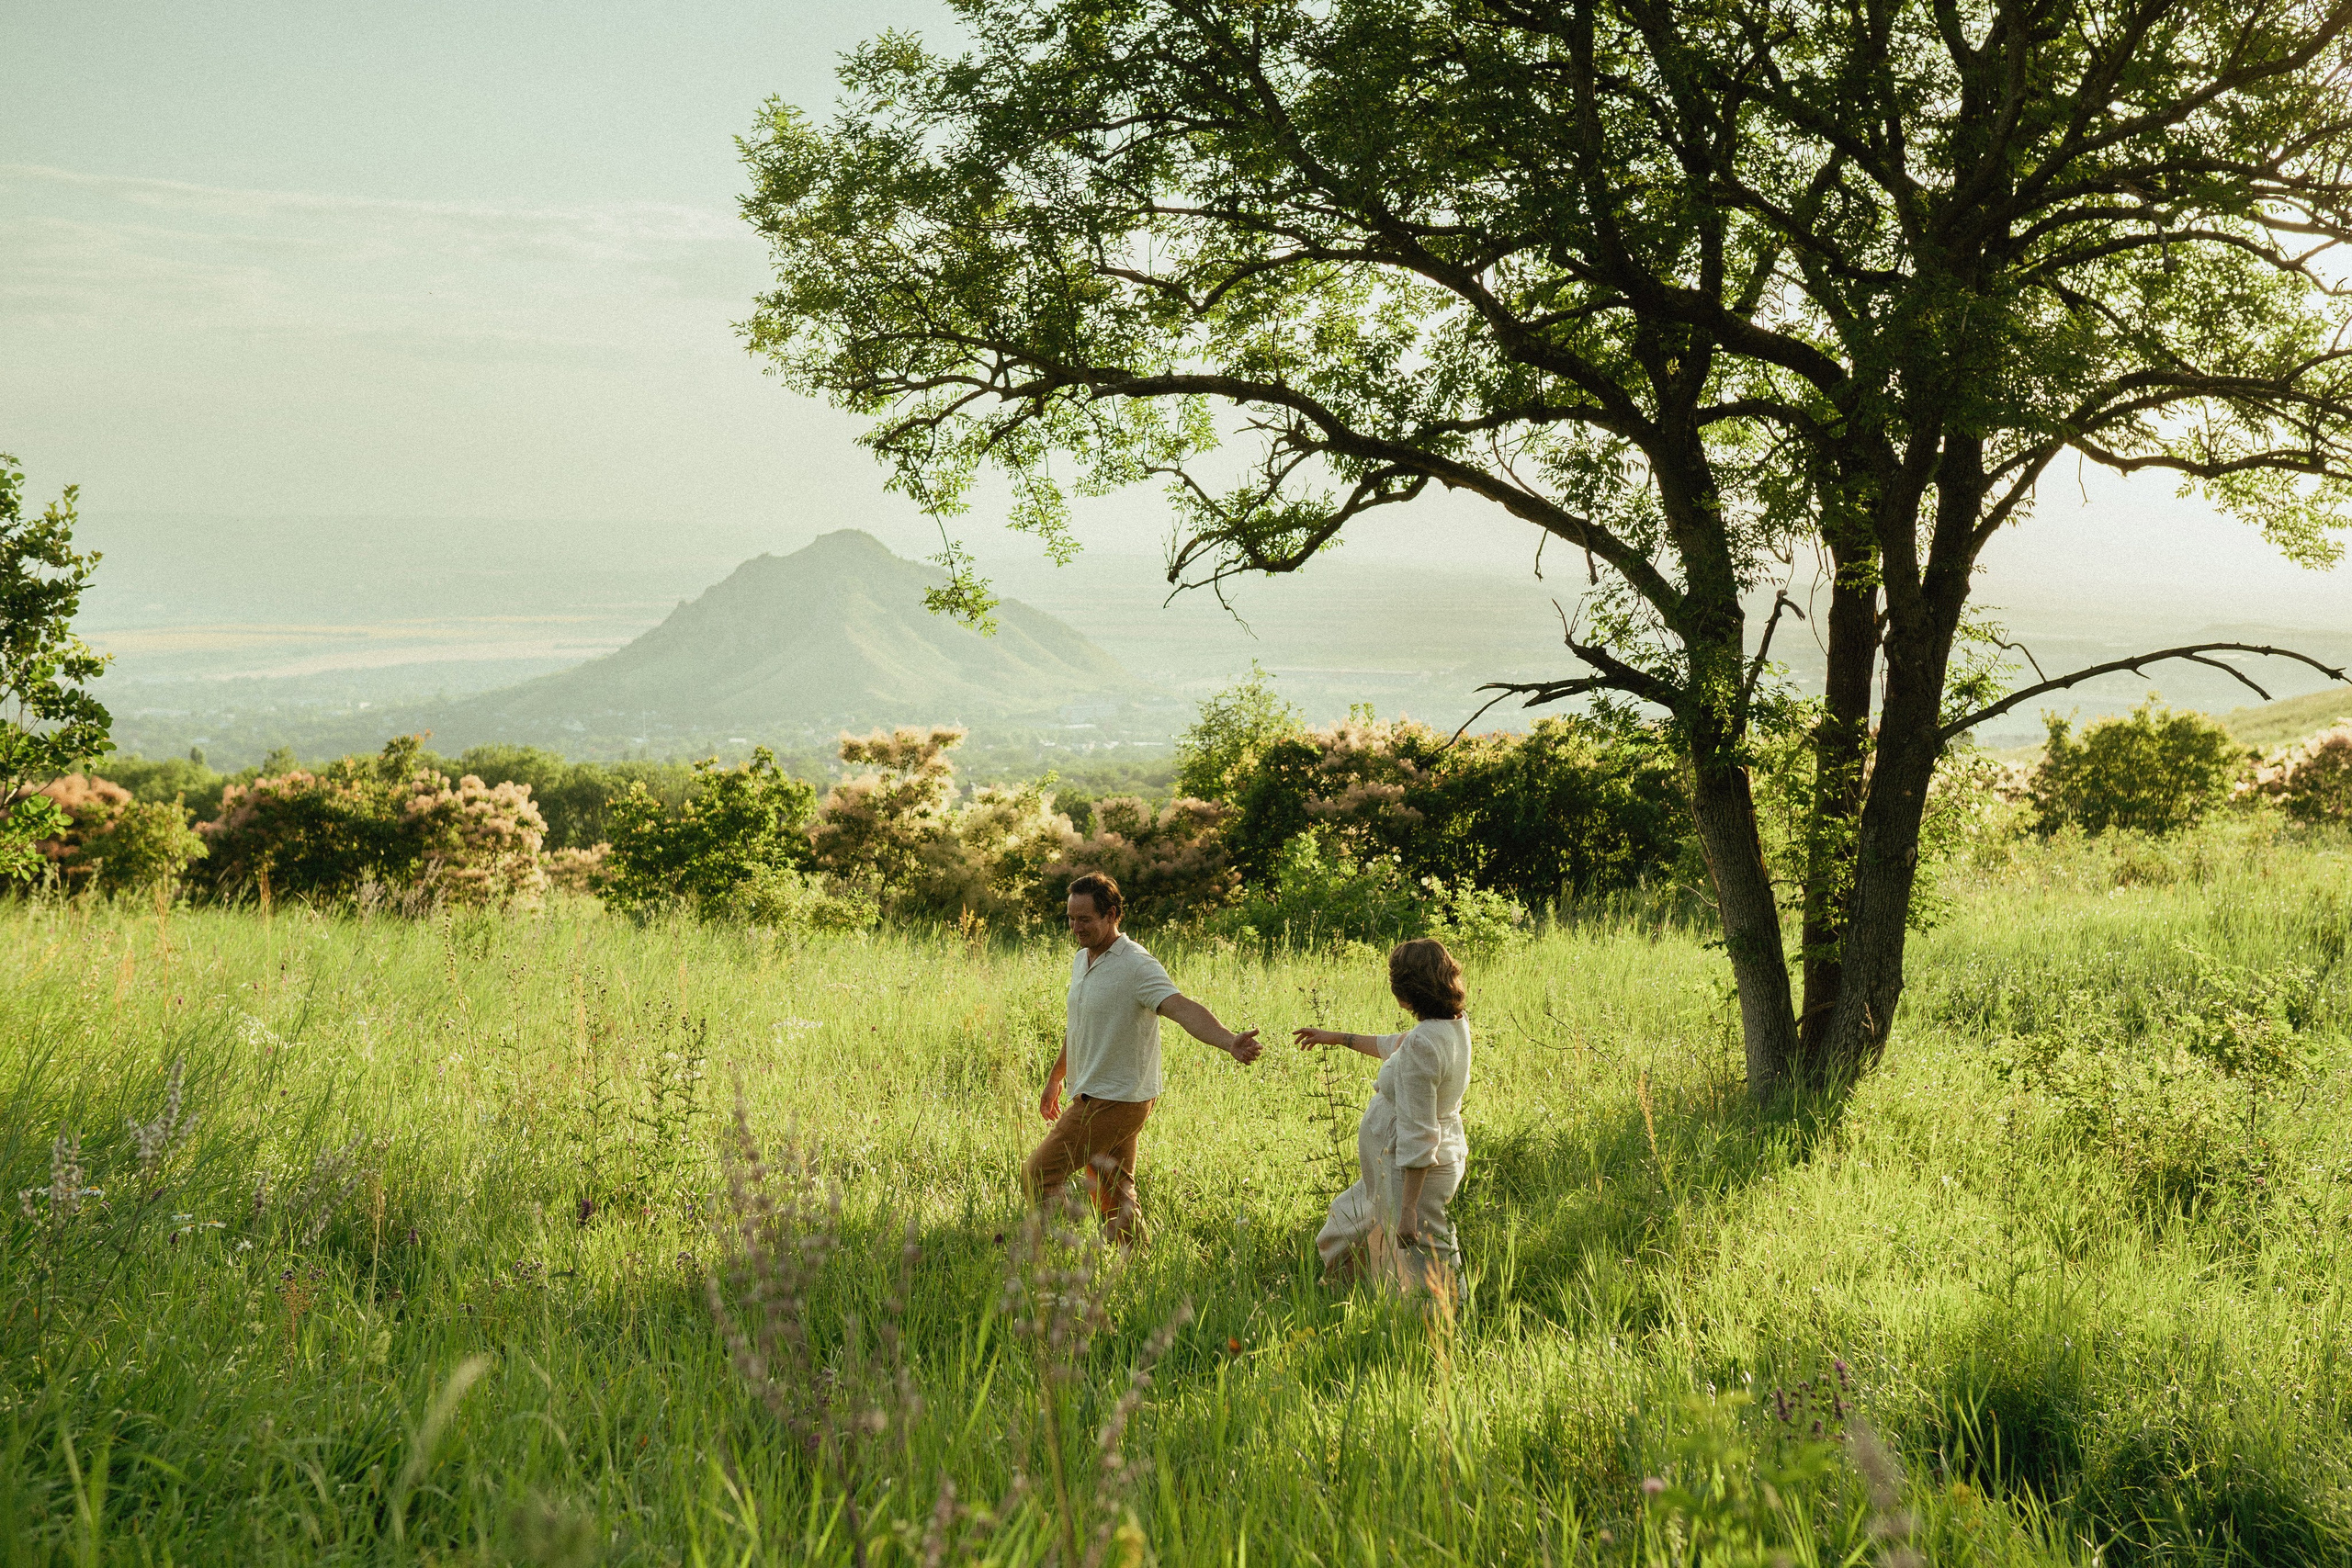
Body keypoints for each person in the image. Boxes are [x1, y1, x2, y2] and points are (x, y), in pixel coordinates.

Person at [1023, 871, 1262, 1242]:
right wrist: (1056, 1077)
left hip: (1115, 1098)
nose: (1075, 927)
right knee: (1114, 1191)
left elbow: (1181, 1008)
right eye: (1070, 918)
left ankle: (1060, 1249)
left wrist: (1228, 1040)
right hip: (1101, 1092)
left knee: (1038, 1174)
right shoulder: (1081, 959)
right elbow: (1079, 1026)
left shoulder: (1137, 965)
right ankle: (1133, 1262)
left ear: (1112, 914)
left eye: (1085, 919)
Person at [1294, 937, 1474, 1292]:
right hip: (1392, 1166)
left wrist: (1408, 1209)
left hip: (1412, 1173)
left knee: (1422, 1256)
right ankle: (1347, 1295)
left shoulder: (1425, 1043)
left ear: (1405, 996)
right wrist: (1336, 1037)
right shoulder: (1450, 1024)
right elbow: (1394, 1045)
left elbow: (1419, 1133)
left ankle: (1441, 1321)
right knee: (1346, 1225)